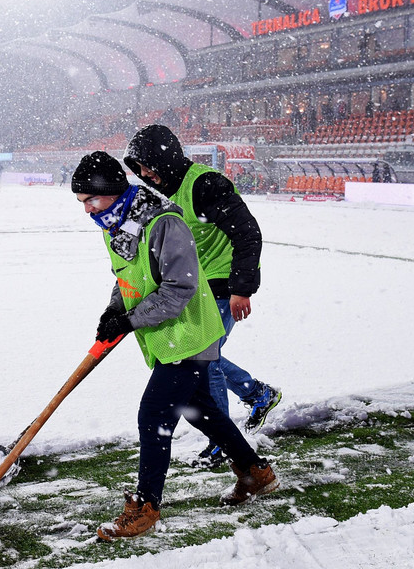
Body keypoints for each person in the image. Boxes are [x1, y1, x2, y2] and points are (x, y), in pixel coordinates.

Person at [71, 151, 277, 542]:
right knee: (202, 412)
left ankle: (146, 506)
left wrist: (130, 320)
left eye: (90, 200)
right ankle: (256, 474)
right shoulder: (114, 223)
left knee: (153, 417)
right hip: (164, 336)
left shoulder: (164, 222)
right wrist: (114, 310)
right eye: (81, 202)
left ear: (112, 191)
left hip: (188, 333)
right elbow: (127, 276)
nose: (87, 210)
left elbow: (179, 288)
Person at [123, 124, 281, 469]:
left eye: (149, 165)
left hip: (222, 284)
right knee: (202, 356)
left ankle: (221, 440)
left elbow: (248, 234)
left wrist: (242, 288)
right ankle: (256, 394)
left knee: (203, 359)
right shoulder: (159, 189)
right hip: (195, 287)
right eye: (140, 168)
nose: (145, 174)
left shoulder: (205, 185)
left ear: (166, 159)